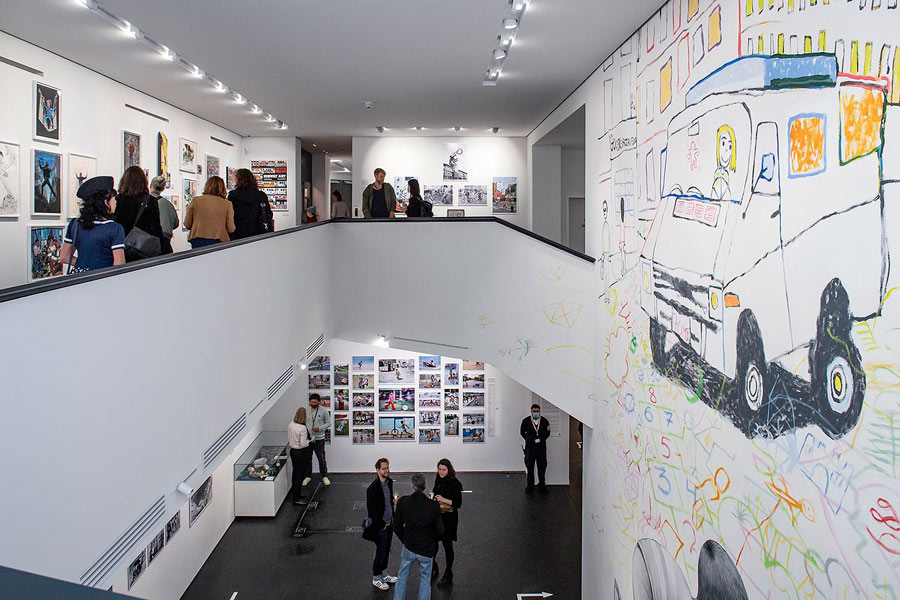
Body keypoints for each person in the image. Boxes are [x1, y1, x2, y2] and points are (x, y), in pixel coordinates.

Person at [393, 473, 444, 600]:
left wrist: (405, 539)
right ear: (425, 485)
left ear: (412, 486)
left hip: (409, 546)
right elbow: (440, 530)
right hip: (426, 549)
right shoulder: (433, 506)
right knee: (425, 580)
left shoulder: (403, 502)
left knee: (402, 576)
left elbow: (397, 526)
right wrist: (431, 541)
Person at [59, 176, 125, 273]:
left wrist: (84, 265)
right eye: (113, 198)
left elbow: (64, 257)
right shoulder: (114, 228)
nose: (115, 201)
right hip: (102, 278)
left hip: (79, 277)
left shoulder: (75, 224)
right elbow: (119, 265)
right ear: (105, 201)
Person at [114, 166, 165, 262]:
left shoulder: (119, 200)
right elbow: (156, 227)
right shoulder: (150, 201)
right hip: (143, 248)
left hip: (121, 247)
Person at [363, 458, 399, 591]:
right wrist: (382, 525)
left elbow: (387, 501)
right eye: (384, 468)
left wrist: (393, 502)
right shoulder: (372, 489)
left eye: (388, 468)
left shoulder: (389, 482)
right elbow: (372, 511)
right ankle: (376, 578)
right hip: (381, 527)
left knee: (386, 550)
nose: (387, 470)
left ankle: (384, 574)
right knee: (380, 552)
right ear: (377, 470)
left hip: (389, 523)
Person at [431, 458, 462, 587]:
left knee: (447, 546)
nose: (441, 472)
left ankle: (448, 573)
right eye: (439, 469)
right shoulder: (438, 479)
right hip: (438, 517)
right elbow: (435, 492)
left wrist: (443, 499)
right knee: (433, 544)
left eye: (444, 470)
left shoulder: (455, 483)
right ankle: (433, 566)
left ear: (449, 470)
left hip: (449, 519)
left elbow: (458, 503)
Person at [184, 176, 235, 249]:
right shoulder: (227, 204)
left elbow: (187, 224)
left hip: (197, 239)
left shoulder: (196, 200)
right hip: (219, 239)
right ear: (223, 188)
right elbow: (230, 228)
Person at [227, 168, 274, 240]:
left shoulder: (233, 195)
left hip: (238, 233)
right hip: (258, 233)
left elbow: (230, 215)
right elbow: (268, 214)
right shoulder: (260, 195)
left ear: (238, 180)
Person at [520, 403, 551, 493]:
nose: (535, 413)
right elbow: (522, 432)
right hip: (530, 449)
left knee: (541, 468)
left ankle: (542, 485)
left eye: (537, 411)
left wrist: (540, 440)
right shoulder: (525, 421)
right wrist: (529, 440)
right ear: (531, 411)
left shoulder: (544, 421)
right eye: (534, 411)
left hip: (541, 449)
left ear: (540, 411)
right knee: (530, 468)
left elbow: (547, 433)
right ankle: (530, 486)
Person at [304, 393, 331, 487]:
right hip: (308, 439)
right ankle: (308, 476)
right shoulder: (306, 410)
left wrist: (320, 428)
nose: (313, 404)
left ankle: (324, 476)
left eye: (315, 402)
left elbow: (329, 423)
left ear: (319, 402)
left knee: (321, 459)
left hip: (319, 439)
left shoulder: (324, 411)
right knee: (308, 459)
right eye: (311, 402)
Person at [287, 407, 312, 506]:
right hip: (300, 452)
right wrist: (310, 440)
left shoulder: (291, 424)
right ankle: (296, 499)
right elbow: (303, 444)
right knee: (299, 476)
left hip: (293, 451)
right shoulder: (302, 428)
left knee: (295, 474)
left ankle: (296, 495)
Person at [150, 175, 178, 254]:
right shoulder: (168, 204)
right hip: (165, 241)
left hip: (150, 240)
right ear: (163, 188)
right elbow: (176, 223)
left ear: (151, 186)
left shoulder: (146, 202)